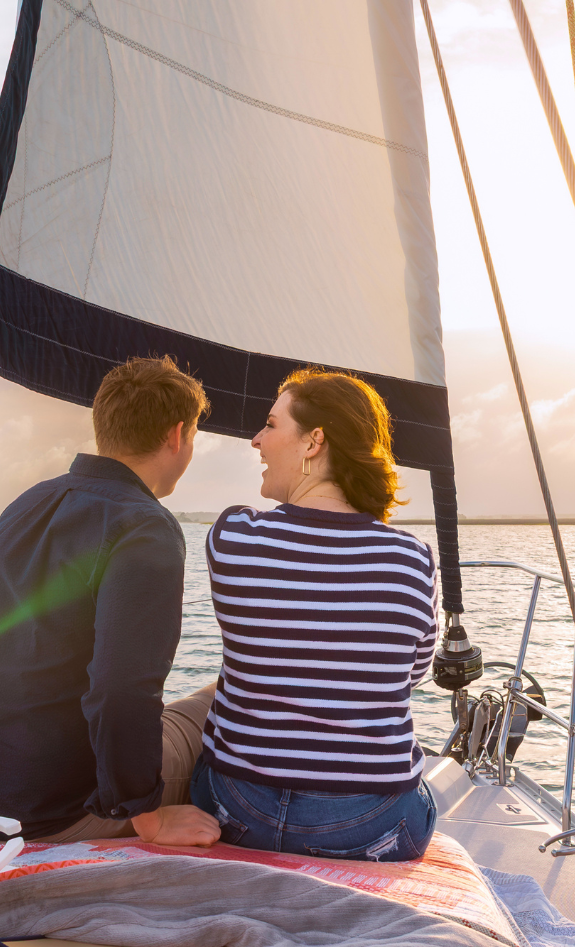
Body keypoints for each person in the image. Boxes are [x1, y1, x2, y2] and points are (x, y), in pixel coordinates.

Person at [0, 357, 220, 846]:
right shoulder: (146, 527)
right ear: (177, 435)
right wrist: (146, 816)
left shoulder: (31, 502)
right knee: (215, 702)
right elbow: (121, 690)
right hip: (46, 810)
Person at [192, 368, 439, 862]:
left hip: (238, 809)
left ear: (314, 442)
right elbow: (412, 674)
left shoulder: (233, 537)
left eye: (271, 424)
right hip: (370, 823)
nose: (257, 440)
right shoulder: (413, 559)